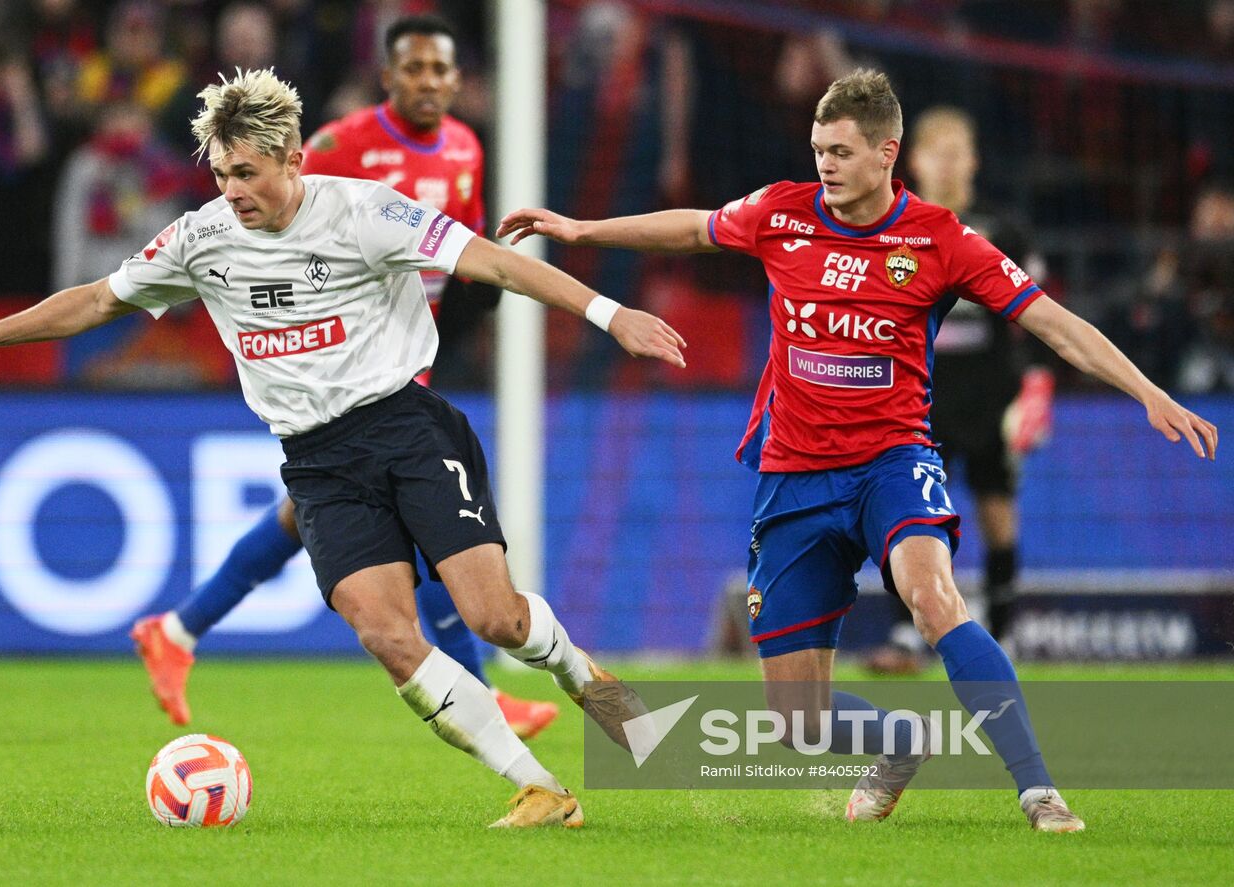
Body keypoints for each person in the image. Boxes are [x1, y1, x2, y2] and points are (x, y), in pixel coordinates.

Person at [0, 67, 684, 829]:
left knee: (497, 619)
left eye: (246, 172)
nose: (232, 191)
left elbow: (494, 260)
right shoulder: (202, 238)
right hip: (316, 461)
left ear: (293, 158)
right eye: (220, 174)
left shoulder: (367, 212)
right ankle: (540, 788)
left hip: (404, 428)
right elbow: (100, 298)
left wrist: (610, 315)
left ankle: (594, 685)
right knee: (385, 634)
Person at [498, 69, 1217, 833]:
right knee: (797, 722)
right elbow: (692, 225)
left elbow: (1053, 323)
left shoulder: (939, 239)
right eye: (817, 150)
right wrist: (579, 230)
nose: (826, 166)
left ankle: (1038, 791)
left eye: (840, 151)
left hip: (893, 464)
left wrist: (1146, 390)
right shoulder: (782, 213)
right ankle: (900, 743)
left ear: (886, 153)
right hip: (793, 477)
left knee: (936, 599)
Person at [129, 15, 558, 741]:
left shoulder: (464, 146)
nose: (428, 82)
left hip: (403, 346)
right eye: (414, 69)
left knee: (317, 510)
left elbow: (465, 241)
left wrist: (478, 301)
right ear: (388, 77)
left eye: (441, 70)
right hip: (342, 353)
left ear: (458, 80)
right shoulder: (340, 145)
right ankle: (483, 688)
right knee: (399, 510)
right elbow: (295, 220)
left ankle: (178, 629)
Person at [867, 106, 1053, 673]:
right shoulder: (889, 225)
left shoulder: (1003, 231)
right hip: (916, 394)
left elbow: (1036, 318)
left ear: (973, 160)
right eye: (936, 152)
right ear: (912, 159)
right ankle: (905, 634)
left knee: (997, 509)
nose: (947, 164)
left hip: (991, 391)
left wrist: (1035, 389)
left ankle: (1003, 634)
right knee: (909, 513)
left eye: (958, 152)